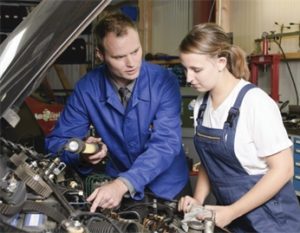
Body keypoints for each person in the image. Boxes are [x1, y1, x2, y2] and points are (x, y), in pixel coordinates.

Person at [45, 12, 191, 212]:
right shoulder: (87, 88)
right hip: (123, 192)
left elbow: (166, 143)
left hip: (169, 189)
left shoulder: (164, 81)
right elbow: (57, 143)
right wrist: (81, 151)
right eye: (119, 57)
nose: (132, 63)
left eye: (136, 51)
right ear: (100, 55)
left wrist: (123, 184)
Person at [177, 23, 300, 232]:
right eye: (185, 69)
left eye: (196, 69)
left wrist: (232, 211)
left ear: (221, 62)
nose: (189, 78)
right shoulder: (201, 104)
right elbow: (210, 161)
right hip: (234, 217)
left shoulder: (254, 103)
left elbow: (284, 169)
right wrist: (198, 200)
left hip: (272, 220)